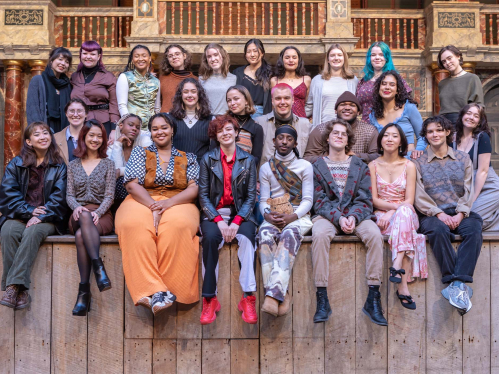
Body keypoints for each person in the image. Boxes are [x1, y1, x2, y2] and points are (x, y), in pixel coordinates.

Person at [115, 113, 200, 316]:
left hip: (178, 200)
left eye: (164, 127)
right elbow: (131, 184)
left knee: (176, 227)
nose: (160, 132)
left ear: (172, 130)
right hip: (142, 198)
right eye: (155, 129)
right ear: (150, 133)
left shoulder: (189, 157)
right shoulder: (139, 153)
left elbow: (193, 189)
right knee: (132, 225)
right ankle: (152, 289)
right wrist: (154, 206)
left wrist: (168, 204)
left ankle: (172, 290)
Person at [310, 119, 387, 325]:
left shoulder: (360, 166)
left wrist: (352, 216)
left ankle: (373, 296)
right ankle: (322, 296)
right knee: (319, 234)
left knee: (374, 234)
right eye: (335, 133)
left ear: (348, 140)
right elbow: (319, 201)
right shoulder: (316, 167)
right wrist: (339, 217)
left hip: (356, 216)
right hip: (328, 216)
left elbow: (364, 199)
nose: (339, 136)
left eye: (343, 134)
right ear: (328, 138)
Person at [413, 115, 482, 315]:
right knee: (437, 230)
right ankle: (453, 283)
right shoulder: (419, 162)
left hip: (459, 212)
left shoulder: (462, 158)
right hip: (432, 213)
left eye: (438, 130)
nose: (434, 134)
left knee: (474, 228)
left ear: (447, 132)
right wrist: (438, 214)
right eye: (430, 131)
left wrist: (461, 214)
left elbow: (469, 190)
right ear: (425, 136)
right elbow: (418, 193)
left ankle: (457, 283)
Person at [0, 122, 67, 310]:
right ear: (29, 142)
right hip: (21, 213)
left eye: (46, 133)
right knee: (8, 231)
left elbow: (60, 198)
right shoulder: (16, 163)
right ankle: (20, 291)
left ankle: (12, 286)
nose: (43, 136)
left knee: (32, 231)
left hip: (49, 218)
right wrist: (28, 210)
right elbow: (7, 195)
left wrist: (40, 215)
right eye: (37, 134)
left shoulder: (59, 165)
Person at [198, 115, 258, 325]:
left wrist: (236, 221)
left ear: (236, 132)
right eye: (220, 130)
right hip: (214, 214)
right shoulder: (207, 159)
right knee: (210, 240)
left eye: (228, 129)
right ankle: (209, 299)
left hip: (240, 214)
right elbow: (203, 196)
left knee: (249, 239)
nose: (225, 133)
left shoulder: (249, 160)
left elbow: (251, 197)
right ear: (216, 136)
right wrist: (219, 221)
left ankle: (248, 297)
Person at [369, 124, 427, 311]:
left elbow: (409, 200)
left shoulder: (409, 165)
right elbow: (374, 200)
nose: (390, 139)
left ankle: (396, 264)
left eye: (394, 136)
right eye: (386, 135)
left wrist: (393, 211)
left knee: (404, 213)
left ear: (401, 141)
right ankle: (402, 288)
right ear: (380, 140)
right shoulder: (373, 165)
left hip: (406, 214)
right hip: (382, 217)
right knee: (409, 232)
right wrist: (391, 210)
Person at [258, 125, 313, 317]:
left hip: (299, 216)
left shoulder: (305, 166)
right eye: (280, 138)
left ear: (295, 143)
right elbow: (264, 200)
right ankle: (281, 294)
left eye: (289, 139)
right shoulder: (266, 168)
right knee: (264, 235)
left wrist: (292, 217)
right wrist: (266, 215)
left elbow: (308, 200)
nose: (284, 142)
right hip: (274, 216)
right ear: (274, 141)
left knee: (289, 234)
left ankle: (272, 296)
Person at [66, 120, 115, 316]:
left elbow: (110, 196)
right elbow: (69, 194)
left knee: (80, 237)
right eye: (91, 135)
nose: (95, 139)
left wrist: (98, 212)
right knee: (84, 217)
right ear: (83, 137)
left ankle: (83, 292)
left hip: (101, 215)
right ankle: (98, 267)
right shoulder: (73, 165)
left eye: (99, 136)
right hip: (78, 214)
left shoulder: (108, 164)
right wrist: (77, 208)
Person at [453, 104, 499, 231]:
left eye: (476, 116)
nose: (471, 117)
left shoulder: (482, 137)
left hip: (487, 186)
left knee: (467, 218)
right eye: (468, 113)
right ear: (462, 115)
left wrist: (471, 201)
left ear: (479, 121)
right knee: (462, 219)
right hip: (466, 188)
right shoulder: (453, 138)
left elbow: (482, 172)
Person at [304, 91, 379, 164]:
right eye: (343, 104)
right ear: (335, 110)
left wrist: (355, 156)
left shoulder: (370, 131)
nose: (347, 108)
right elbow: (308, 158)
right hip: (326, 173)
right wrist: (329, 157)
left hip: (360, 174)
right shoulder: (321, 130)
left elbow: (378, 157)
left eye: (352, 105)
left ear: (358, 112)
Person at [70, 40, 120, 141]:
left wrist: (114, 129)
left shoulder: (108, 77)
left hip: (103, 123)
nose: (88, 57)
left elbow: (114, 103)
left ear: (98, 56)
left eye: (92, 54)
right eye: (85, 53)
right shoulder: (74, 76)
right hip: (79, 123)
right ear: (80, 55)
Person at [370, 71, 426, 158]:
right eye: (384, 84)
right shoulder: (373, 115)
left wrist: (419, 150)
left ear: (397, 90)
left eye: (392, 85)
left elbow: (423, 135)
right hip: (383, 162)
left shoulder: (409, 108)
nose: (387, 87)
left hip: (408, 160)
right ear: (379, 88)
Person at [356, 42, 413, 122]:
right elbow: (358, 108)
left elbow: (407, 104)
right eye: (373, 55)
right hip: (366, 129)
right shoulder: (363, 81)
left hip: (387, 128)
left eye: (381, 55)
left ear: (387, 58)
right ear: (369, 58)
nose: (377, 57)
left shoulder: (395, 79)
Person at [257, 83, 311, 167]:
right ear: (272, 101)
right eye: (278, 98)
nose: (282, 102)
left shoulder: (305, 125)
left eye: (286, 98)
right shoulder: (259, 123)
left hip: (296, 175)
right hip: (267, 176)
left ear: (293, 100)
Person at [305, 44, 358, 128]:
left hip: (346, 129)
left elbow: (357, 105)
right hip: (322, 128)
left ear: (344, 59)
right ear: (328, 60)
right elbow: (309, 106)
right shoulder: (317, 80)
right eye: (332, 55)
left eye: (339, 55)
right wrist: (294, 117)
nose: (336, 58)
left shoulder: (353, 80)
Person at [107, 114, 152, 210]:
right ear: (121, 126)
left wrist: (121, 171)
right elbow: (116, 170)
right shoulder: (112, 146)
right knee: (118, 181)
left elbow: (146, 168)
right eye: (131, 125)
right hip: (121, 192)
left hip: (142, 186)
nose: (134, 129)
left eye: (137, 127)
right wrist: (118, 144)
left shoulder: (145, 141)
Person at [27, 47, 73, 133]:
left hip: (64, 128)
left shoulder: (67, 85)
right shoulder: (38, 80)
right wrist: (39, 131)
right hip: (44, 127)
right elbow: (33, 109)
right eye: (60, 59)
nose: (63, 63)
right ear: (51, 60)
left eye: (67, 62)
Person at [169, 77, 214, 163]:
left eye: (193, 92)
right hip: (176, 170)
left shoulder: (210, 120)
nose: (190, 95)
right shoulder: (170, 119)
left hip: (201, 171)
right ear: (181, 95)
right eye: (186, 92)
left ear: (199, 94)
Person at [437, 45, 484, 126]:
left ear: (458, 56)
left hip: (463, 123)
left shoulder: (472, 78)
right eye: (444, 61)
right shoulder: (442, 83)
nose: (447, 63)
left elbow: (478, 106)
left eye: (449, 58)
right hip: (443, 124)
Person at [116, 45, 160, 131]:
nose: (140, 59)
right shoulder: (125, 77)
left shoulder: (156, 81)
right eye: (136, 56)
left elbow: (157, 108)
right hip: (132, 129)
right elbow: (122, 106)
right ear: (132, 59)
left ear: (150, 58)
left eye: (144, 56)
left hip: (152, 129)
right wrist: (129, 126)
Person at [233, 39, 273, 118]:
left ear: (262, 53)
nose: (252, 54)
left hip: (264, 115)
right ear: (245, 55)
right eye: (248, 52)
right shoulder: (237, 72)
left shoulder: (271, 73)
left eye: (255, 51)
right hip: (242, 114)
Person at [226, 85, 264, 165]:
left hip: (245, 173)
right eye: (229, 100)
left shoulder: (256, 128)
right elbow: (214, 154)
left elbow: (256, 158)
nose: (232, 103)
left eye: (236, 99)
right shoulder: (222, 124)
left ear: (246, 100)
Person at [271, 46, 311, 118]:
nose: (291, 60)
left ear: (298, 60)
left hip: (301, 120)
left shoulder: (306, 80)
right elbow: (273, 105)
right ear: (282, 60)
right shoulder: (274, 81)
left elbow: (308, 103)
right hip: (280, 120)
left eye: (294, 57)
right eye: (287, 57)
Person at [199, 43, 237, 116]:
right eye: (209, 56)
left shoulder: (234, 78)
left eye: (216, 55)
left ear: (222, 56)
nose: (213, 59)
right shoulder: (201, 79)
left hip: (227, 120)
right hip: (207, 120)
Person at [160, 44, 197, 113]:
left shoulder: (196, 80)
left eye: (177, 54)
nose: (174, 57)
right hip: (166, 120)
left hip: (188, 121)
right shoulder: (162, 79)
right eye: (170, 56)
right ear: (168, 60)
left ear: (184, 56)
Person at [54, 98, 88, 164]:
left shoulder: (95, 138)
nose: (75, 115)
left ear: (86, 114)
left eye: (79, 111)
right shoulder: (55, 138)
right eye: (72, 111)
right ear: (66, 113)